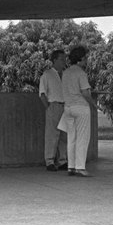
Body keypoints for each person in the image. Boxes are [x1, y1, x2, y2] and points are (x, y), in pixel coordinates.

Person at [57, 46, 97, 177]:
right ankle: (80, 167)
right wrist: (93, 104)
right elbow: (85, 92)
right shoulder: (81, 73)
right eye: (85, 58)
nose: (86, 61)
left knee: (71, 137)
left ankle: (71, 166)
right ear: (80, 59)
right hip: (80, 107)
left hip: (68, 108)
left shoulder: (66, 72)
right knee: (83, 137)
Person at [39, 49, 68, 171]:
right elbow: (42, 93)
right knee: (52, 135)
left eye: (64, 59)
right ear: (55, 60)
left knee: (64, 135)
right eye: (61, 59)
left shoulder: (66, 74)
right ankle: (49, 161)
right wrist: (49, 107)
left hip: (65, 106)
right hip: (54, 105)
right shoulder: (47, 74)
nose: (64, 61)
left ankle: (63, 160)